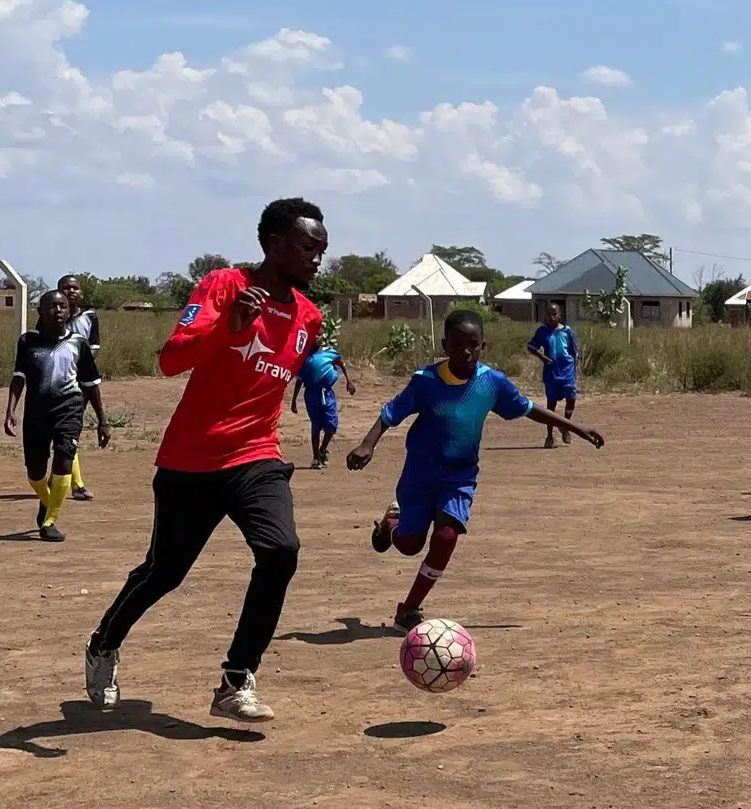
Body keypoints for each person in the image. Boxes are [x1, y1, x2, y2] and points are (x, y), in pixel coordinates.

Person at [85, 198, 326, 722]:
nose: (317, 259)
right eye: (308, 247)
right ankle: (104, 644)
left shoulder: (310, 317)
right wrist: (230, 328)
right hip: (191, 460)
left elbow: (280, 381)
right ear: (273, 244)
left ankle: (236, 680)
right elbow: (171, 360)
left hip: (257, 456)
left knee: (280, 551)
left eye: (322, 250)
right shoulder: (224, 286)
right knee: (164, 573)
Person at [348, 309, 604, 633]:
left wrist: (577, 427)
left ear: (484, 345)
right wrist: (367, 444)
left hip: (460, 476)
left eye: (473, 345)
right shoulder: (426, 381)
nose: (466, 352)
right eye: (458, 345)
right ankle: (391, 525)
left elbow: (529, 409)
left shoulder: (491, 383)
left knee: (446, 536)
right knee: (410, 544)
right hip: (420, 475)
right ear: (445, 344)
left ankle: (408, 608)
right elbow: (390, 414)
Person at [3, 291, 110, 542]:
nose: (58, 310)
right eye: (51, 306)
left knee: (64, 458)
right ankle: (48, 501)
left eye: (62, 306)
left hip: (69, 408)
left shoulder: (78, 343)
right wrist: (10, 410)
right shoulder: (28, 342)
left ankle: (50, 520)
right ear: (40, 311)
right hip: (36, 411)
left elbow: (91, 384)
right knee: (35, 471)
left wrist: (102, 421)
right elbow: (19, 377)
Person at [290, 314, 356, 468]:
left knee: (331, 426)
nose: (317, 338)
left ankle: (323, 449)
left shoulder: (330, 353)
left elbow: (341, 363)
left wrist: (349, 380)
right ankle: (315, 458)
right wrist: (293, 400)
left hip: (327, 393)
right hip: (311, 394)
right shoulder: (305, 358)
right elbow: (299, 380)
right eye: (314, 336)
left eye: (319, 335)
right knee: (315, 424)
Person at [58, 274, 101, 500]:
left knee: (70, 428)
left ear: (81, 293)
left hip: (81, 380)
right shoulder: (51, 316)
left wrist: (77, 364)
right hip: (56, 381)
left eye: (74, 288)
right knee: (64, 429)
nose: (70, 291)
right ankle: (66, 475)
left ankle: (76, 482)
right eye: (65, 288)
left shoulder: (89, 317)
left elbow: (93, 348)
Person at [526, 303, 580, 448]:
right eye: (549, 314)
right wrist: (542, 357)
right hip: (551, 372)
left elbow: (574, 353)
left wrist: (575, 371)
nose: (551, 317)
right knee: (551, 405)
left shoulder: (567, 331)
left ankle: (565, 426)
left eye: (554, 314)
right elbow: (531, 347)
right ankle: (550, 436)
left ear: (559, 315)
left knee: (571, 399)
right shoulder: (543, 331)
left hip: (567, 371)